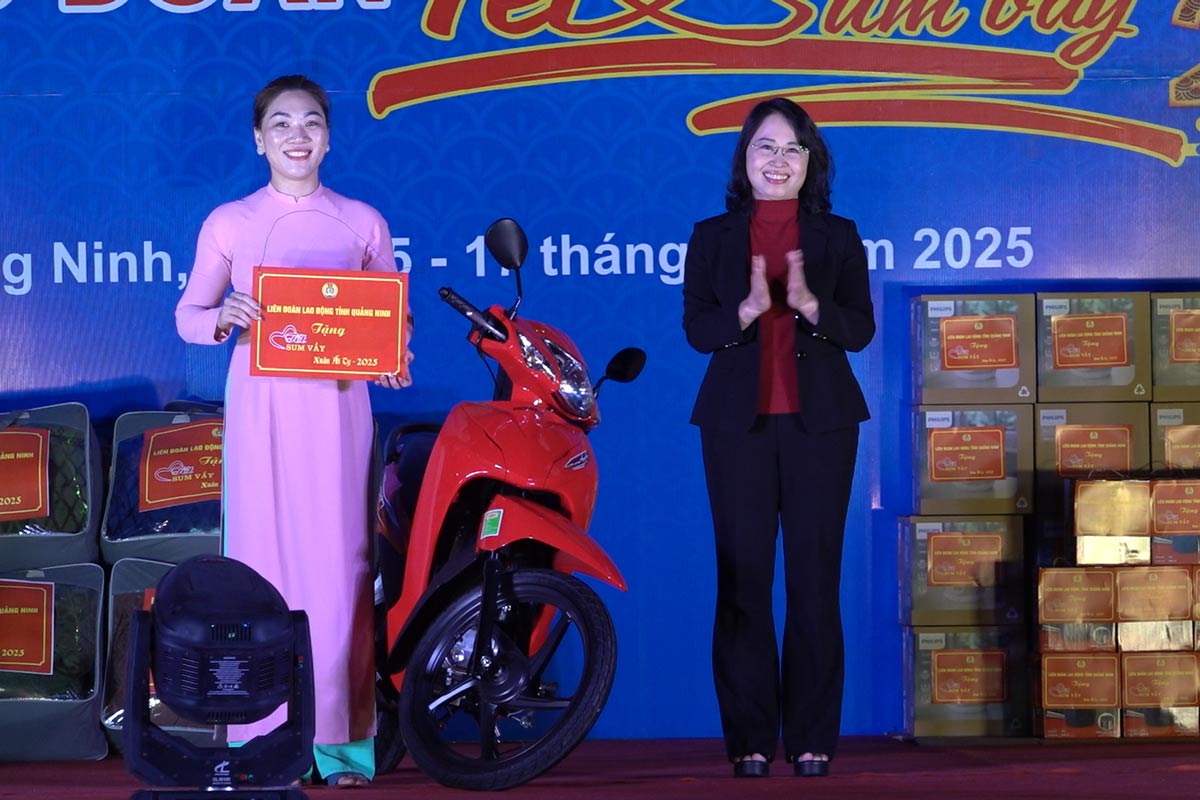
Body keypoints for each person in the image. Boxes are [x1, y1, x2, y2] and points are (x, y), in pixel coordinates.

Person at [175, 74, 412, 789]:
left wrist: (398, 356)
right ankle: (260, 744)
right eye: (280, 124)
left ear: (330, 137)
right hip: (262, 415)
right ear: (257, 138)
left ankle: (342, 748)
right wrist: (226, 316)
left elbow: (389, 319)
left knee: (343, 575)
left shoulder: (362, 222)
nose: (297, 136)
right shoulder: (228, 222)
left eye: (311, 122)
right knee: (260, 569)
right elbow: (190, 313)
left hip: (339, 414)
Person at [682, 97, 875, 779]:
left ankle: (815, 739)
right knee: (743, 583)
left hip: (821, 426)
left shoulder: (839, 236)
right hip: (738, 427)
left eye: (793, 149)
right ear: (744, 158)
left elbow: (861, 329)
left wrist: (813, 306)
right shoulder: (711, 237)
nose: (778, 160)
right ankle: (751, 741)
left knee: (815, 582)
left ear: (810, 162)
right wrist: (748, 309)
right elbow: (698, 330)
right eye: (765, 146)